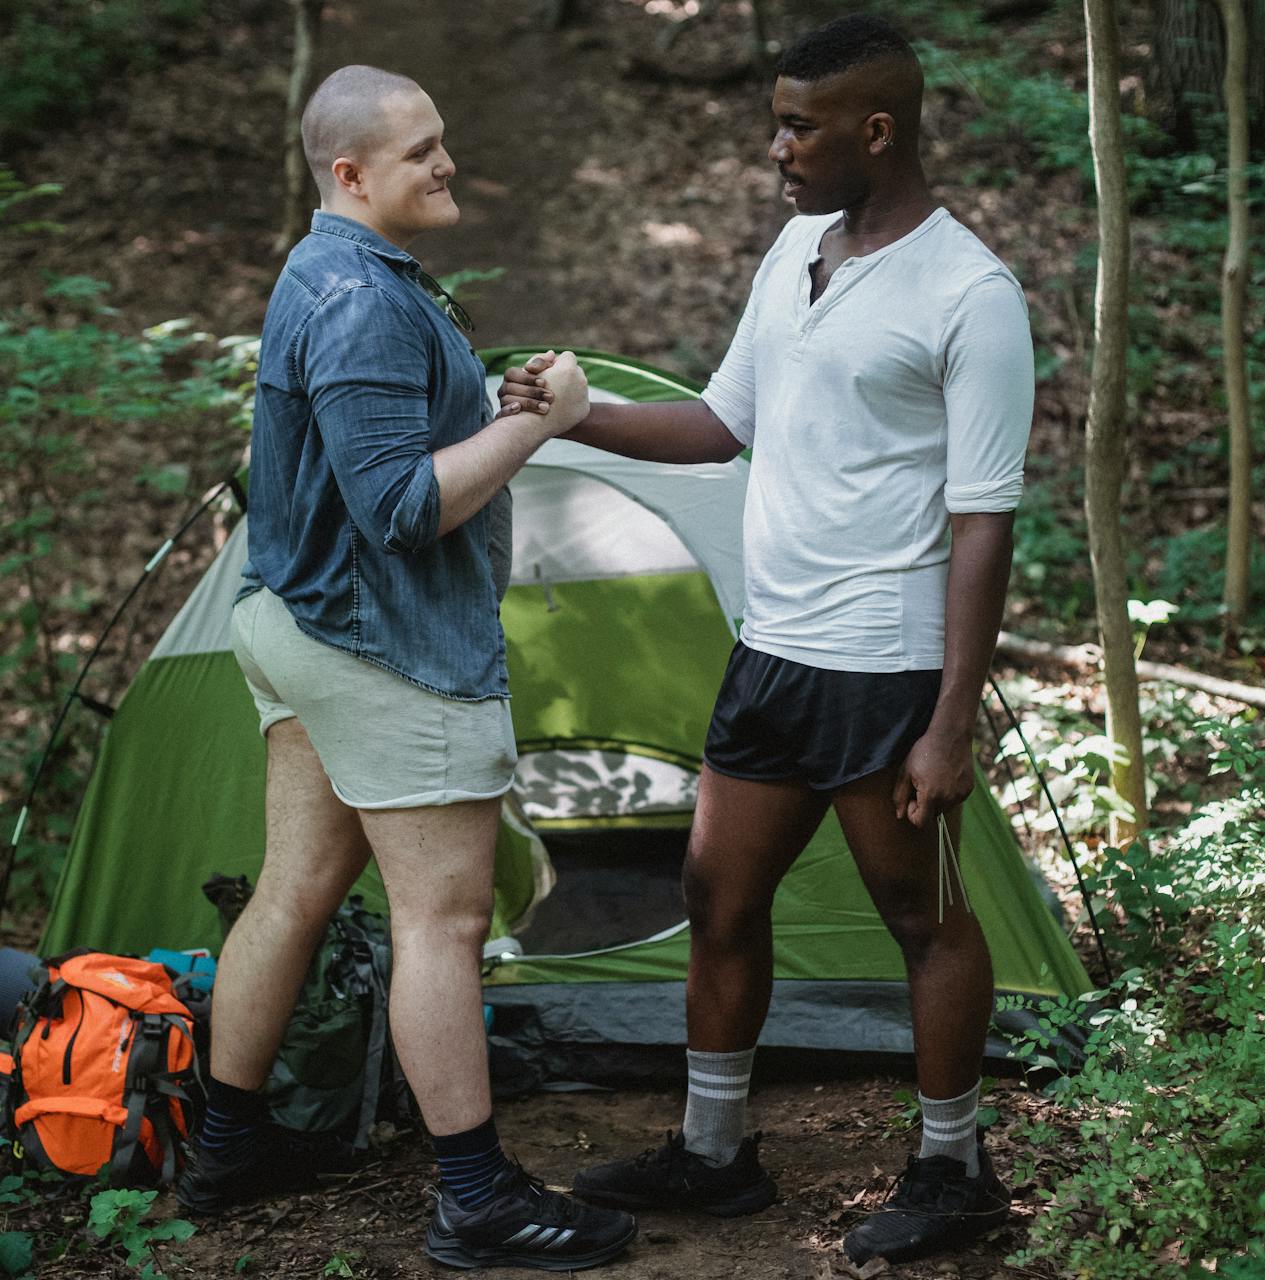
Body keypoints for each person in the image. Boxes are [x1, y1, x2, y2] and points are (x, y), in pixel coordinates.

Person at [498, 13, 1032, 1266]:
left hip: (886, 665)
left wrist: (950, 723)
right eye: (777, 120)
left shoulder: (970, 292)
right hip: (775, 645)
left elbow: (984, 523)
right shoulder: (795, 248)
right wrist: (579, 420)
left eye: (799, 125)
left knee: (923, 915)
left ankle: (955, 1169)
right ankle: (717, 1149)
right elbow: (719, 426)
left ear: (878, 130)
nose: (776, 148)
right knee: (712, 892)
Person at [179, 64, 637, 1272]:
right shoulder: (366, 300)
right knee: (441, 920)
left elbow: (369, 450)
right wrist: (544, 422)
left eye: (443, 141)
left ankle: (224, 1145)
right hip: (385, 646)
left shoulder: (326, 269)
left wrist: (491, 402)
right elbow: (396, 507)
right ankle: (477, 1198)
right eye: (422, 149)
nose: (446, 163)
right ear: (350, 174)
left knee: (293, 891)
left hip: (304, 624)